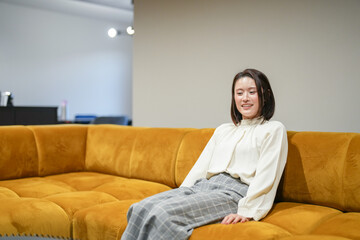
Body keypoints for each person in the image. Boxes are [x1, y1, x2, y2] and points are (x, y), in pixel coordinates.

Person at [121, 68, 288, 240]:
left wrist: (248, 210)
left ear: (265, 95)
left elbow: (267, 176)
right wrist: (182, 193)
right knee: (140, 208)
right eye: (239, 93)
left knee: (162, 214)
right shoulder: (224, 130)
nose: (245, 98)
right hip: (202, 186)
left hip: (233, 193)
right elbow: (201, 166)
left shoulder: (273, 129)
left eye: (251, 92)